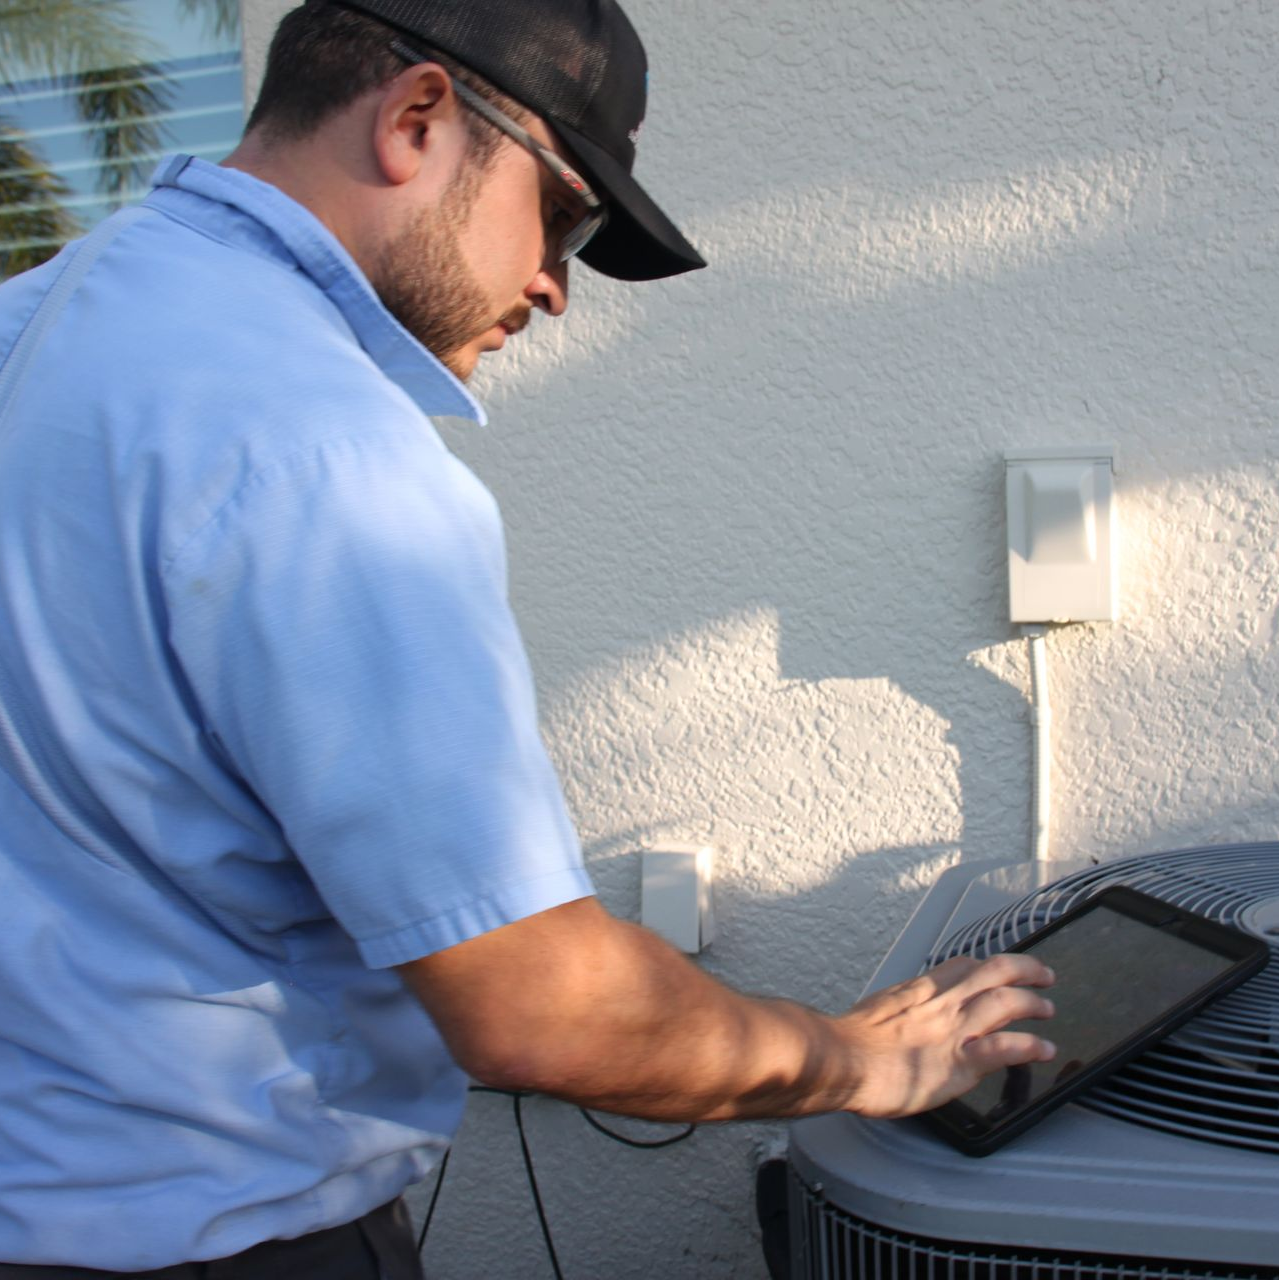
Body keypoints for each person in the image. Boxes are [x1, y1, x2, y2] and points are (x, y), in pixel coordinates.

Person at [0, 0, 1056, 1275]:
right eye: (563, 213)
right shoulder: (326, 454)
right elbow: (534, 1005)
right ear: (417, 118)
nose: (556, 285)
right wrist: (868, 1058)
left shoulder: (44, 322)